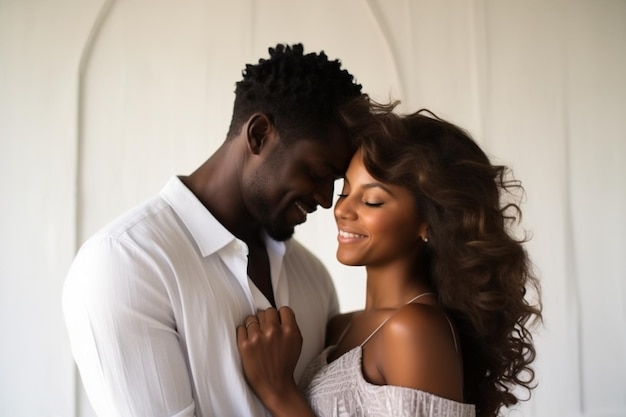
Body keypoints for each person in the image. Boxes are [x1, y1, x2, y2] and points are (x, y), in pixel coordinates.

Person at [63, 43, 369, 417]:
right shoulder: (126, 263)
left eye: (335, 182)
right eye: (318, 173)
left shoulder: (314, 278)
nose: (326, 200)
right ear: (258, 134)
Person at [237, 106, 543, 417]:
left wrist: (280, 393)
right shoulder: (339, 327)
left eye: (372, 200)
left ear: (429, 223)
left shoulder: (414, 329)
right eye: (345, 193)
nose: (342, 211)